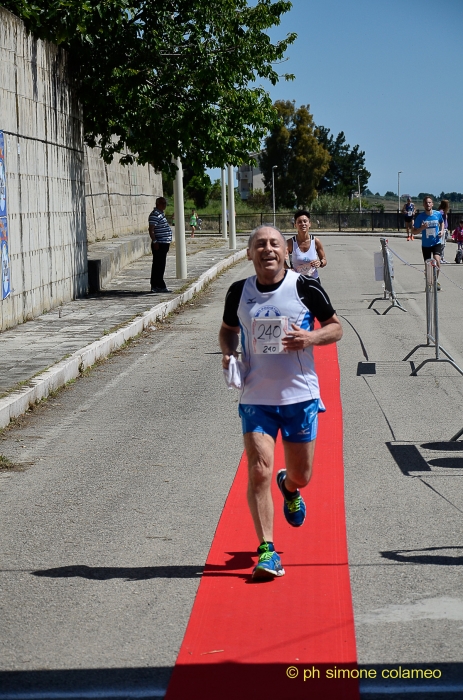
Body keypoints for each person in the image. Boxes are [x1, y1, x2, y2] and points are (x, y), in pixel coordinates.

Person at [219, 225, 342, 581]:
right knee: (258, 470)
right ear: (249, 253)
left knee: (303, 475)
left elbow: (336, 327)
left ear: (286, 252)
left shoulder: (304, 287)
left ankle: (289, 486)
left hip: (299, 396)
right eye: (259, 244)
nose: (267, 249)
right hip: (256, 397)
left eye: (274, 244)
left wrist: (310, 337)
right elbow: (228, 329)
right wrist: (229, 353)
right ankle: (267, 551)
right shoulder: (238, 292)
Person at [286, 209, 327, 281]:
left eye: (305, 221)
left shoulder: (316, 241)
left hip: (313, 280)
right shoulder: (290, 243)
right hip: (296, 281)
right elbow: (280, 259)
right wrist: (288, 269)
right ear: (295, 225)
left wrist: (320, 263)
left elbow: (324, 260)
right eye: (299, 222)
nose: (303, 224)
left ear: (309, 224)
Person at [413, 196, 445, 289]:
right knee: (428, 266)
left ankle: (435, 281)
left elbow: (442, 222)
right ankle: (429, 282)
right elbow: (413, 231)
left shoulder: (437, 214)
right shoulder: (420, 217)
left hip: (436, 242)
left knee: (437, 261)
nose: (428, 204)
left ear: (432, 204)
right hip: (426, 244)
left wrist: (442, 231)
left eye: (429, 202)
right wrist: (422, 228)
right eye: (426, 203)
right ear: (423, 205)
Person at [148, 196, 172, 293]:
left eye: (165, 203)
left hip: (164, 243)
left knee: (161, 265)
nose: (164, 205)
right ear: (158, 204)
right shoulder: (155, 215)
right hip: (159, 243)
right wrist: (155, 241)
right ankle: (157, 285)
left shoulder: (161, 214)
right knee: (158, 265)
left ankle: (158, 284)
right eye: (163, 203)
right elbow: (151, 230)